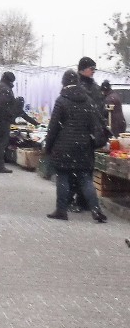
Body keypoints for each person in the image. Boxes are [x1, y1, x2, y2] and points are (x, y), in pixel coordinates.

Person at [45, 70, 107, 223]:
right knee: (85, 179)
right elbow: (95, 125)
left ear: (64, 82)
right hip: (83, 146)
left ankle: (61, 210)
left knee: (63, 177)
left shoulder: (62, 100)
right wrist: (94, 142)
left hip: (64, 146)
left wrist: (48, 146)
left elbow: (54, 127)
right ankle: (96, 210)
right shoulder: (87, 100)